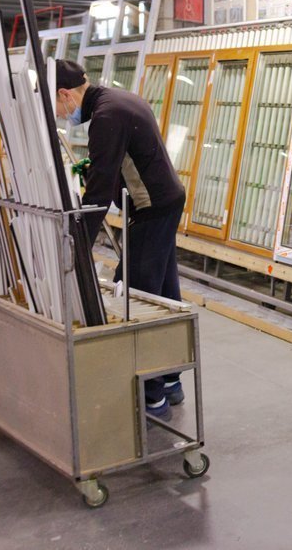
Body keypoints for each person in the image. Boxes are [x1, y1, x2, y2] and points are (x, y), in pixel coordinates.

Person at [54, 60, 187, 419]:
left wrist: (78, 246)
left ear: (65, 94)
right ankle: (171, 380)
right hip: (165, 201)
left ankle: (151, 398)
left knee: (134, 298)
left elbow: (98, 192)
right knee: (164, 295)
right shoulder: (118, 99)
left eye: (57, 107)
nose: (62, 115)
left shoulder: (106, 116)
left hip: (152, 209)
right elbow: (117, 167)